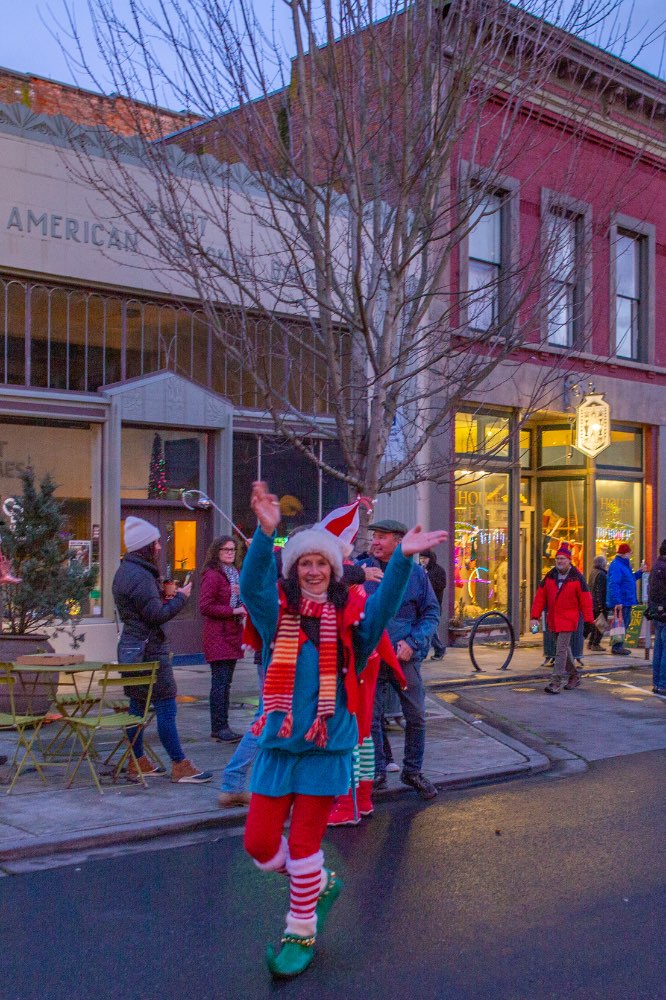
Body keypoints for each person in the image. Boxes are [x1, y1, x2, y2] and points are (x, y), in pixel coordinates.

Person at [241, 482, 446, 978]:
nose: (313, 570)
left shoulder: (353, 623)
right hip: (278, 746)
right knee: (261, 845)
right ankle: (317, 883)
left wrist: (403, 562)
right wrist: (266, 535)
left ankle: (300, 928)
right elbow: (250, 588)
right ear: (295, 571)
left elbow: (385, 606)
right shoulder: (277, 617)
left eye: (322, 564)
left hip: (327, 748)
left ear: (334, 571)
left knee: (307, 845)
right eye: (305, 564)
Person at [112, 516, 212, 783]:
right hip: (150, 652)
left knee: (136, 706)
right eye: (156, 542)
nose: (159, 546)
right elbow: (155, 616)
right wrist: (181, 598)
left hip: (132, 649)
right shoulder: (141, 576)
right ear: (144, 546)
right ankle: (179, 764)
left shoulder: (126, 571)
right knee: (167, 706)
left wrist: (164, 597)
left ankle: (138, 761)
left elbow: (143, 611)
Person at [361, 519, 441, 800]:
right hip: (370, 659)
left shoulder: (417, 575)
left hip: (403, 658)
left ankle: (412, 771)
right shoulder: (361, 571)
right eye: (374, 536)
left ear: (398, 541)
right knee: (370, 718)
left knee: (416, 716)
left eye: (382, 537)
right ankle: (378, 770)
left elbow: (431, 614)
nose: (375, 542)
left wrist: (413, 642)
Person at [199, 535, 246, 743]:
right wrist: (233, 609)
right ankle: (219, 726)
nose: (229, 553)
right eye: (226, 549)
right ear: (216, 551)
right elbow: (205, 606)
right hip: (218, 634)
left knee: (226, 683)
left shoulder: (234, 573)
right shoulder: (213, 575)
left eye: (232, 550)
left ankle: (223, 725)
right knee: (219, 683)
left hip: (232, 632)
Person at [530, 544, 593, 694]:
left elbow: (586, 600)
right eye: (557, 558)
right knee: (565, 650)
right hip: (553, 620)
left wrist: (589, 621)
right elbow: (540, 597)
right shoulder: (550, 576)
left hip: (569, 620)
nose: (559, 561)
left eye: (562, 558)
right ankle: (574, 676)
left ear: (569, 560)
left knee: (560, 650)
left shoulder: (577, 577)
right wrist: (534, 617)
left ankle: (555, 682)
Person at [606, 543, 647, 657]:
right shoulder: (617, 565)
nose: (630, 555)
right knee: (621, 624)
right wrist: (617, 601)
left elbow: (630, 579)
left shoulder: (624, 565)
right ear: (625, 553)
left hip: (627, 600)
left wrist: (639, 572)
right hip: (622, 601)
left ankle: (619, 646)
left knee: (624, 624)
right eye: (629, 553)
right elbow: (614, 584)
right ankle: (617, 647)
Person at [420, 549, 447, 659]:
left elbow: (441, 585)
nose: (423, 561)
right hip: (422, 604)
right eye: (421, 558)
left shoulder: (439, 570)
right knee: (428, 629)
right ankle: (435, 649)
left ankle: (436, 650)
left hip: (434, 604)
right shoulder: (420, 569)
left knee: (431, 630)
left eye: (425, 559)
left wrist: (428, 578)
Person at [647, 540, 666, 694]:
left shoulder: (656, 567)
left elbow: (651, 590)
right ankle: (663, 683)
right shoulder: (664, 568)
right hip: (664, 613)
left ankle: (657, 682)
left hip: (657, 613)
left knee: (659, 649)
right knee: (663, 649)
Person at [587, 555, 608, 651]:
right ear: (602, 564)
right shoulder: (601, 574)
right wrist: (601, 606)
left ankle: (591, 643)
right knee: (601, 624)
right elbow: (600, 590)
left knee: (595, 624)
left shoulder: (593, 572)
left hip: (592, 602)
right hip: (599, 603)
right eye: (605, 562)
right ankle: (595, 643)